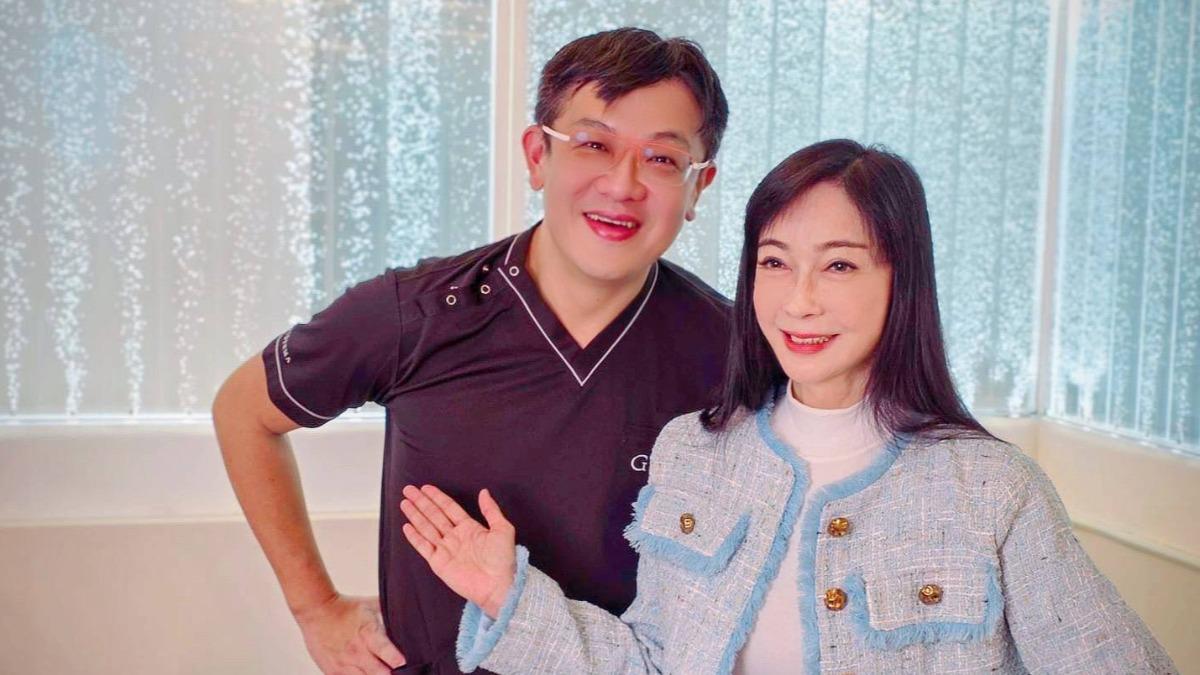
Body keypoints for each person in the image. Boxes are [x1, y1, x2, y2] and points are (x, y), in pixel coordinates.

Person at [399, 140, 1177, 674]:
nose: (798, 300)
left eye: (838, 266)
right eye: (775, 263)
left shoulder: (992, 488)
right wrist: (506, 593)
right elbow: (652, 661)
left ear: (902, 281)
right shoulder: (694, 451)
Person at [211, 28, 731, 675]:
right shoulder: (416, 314)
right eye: (594, 144)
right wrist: (315, 607)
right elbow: (243, 411)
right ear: (537, 155)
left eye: (661, 159)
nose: (623, 185)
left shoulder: (733, 353)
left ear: (699, 187)